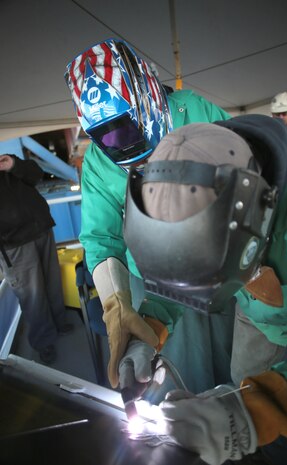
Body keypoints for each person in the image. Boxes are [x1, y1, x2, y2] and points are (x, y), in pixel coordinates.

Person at [122, 116, 287, 465]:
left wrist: (258, 412)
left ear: (256, 215)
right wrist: (147, 330)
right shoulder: (206, 190)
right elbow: (178, 265)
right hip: (257, 310)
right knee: (244, 384)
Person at [64, 37, 234, 395]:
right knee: (174, 372)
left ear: (148, 99)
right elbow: (101, 237)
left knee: (236, 359)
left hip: (225, 260)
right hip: (153, 276)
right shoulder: (98, 162)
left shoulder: (195, 112)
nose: (123, 149)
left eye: (125, 129)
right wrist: (117, 304)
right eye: (105, 138)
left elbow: (244, 178)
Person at [0, 154, 73, 364]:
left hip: (41, 229)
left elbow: (36, 174)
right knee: (31, 294)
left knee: (52, 282)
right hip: (14, 244)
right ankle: (43, 341)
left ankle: (59, 323)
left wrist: (13, 165)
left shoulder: (8, 162)